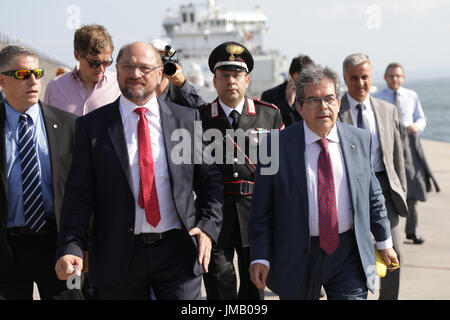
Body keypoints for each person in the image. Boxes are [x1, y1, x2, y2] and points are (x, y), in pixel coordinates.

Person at [54, 41, 223, 300]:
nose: (135, 74)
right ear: (117, 71)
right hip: (117, 256)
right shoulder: (92, 128)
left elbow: (210, 183)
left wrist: (207, 228)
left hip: (177, 254)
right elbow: (78, 196)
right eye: (128, 67)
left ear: (159, 73)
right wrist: (71, 247)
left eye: (144, 67)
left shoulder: (187, 121)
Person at [248, 64, 398, 300]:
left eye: (329, 98)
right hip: (297, 254)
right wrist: (260, 256)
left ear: (339, 103)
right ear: (300, 106)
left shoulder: (359, 140)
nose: (323, 106)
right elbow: (261, 210)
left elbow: (373, 196)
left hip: (348, 253)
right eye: (314, 100)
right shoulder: (274, 147)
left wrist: (384, 241)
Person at [198, 41, 284, 300]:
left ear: (247, 80)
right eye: (224, 76)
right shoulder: (199, 118)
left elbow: (279, 172)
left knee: (254, 288)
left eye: (237, 76)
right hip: (214, 215)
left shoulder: (269, 116)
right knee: (219, 286)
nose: (231, 82)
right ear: (214, 81)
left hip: (255, 215)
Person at [0, 45, 81, 299]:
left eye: (36, 72)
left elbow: (83, 189)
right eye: (23, 75)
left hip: (58, 246)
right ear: (2, 80)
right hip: (6, 250)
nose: (34, 80)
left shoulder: (69, 125)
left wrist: (80, 246)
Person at [338, 53, 408, 300]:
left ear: (371, 76)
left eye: (364, 77)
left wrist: (402, 193)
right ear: (345, 79)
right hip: (348, 192)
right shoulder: (335, 110)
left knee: (394, 252)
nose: (360, 83)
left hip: (386, 190)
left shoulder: (387, 110)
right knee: (356, 254)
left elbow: (398, 157)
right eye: (354, 78)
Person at [375, 62, 440, 244]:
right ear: (385, 78)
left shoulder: (411, 96)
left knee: (412, 186)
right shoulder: (378, 97)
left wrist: (416, 127)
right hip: (387, 145)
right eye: (391, 76)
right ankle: (385, 233)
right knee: (386, 189)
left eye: (397, 76)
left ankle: (412, 231)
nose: (394, 79)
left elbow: (421, 117)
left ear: (403, 78)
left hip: (409, 145)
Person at [44, 24, 121, 116]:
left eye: (106, 62)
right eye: (94, 63)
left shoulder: (119, 86)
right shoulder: (55, 87)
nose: (101, 69)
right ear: (77, 55)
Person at [261, 54, 314, 127]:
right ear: (291, 77)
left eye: (307, 82)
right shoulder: (270, 96)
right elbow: (266, 122)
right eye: (299, 82)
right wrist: (287, 104)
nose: (303, 86)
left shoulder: (316, 95)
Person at [150, 39, 206, 108]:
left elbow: (201, 109)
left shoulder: (179, 93)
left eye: (165, 59)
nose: (160, 64)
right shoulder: (139, 90)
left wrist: (182, 83)